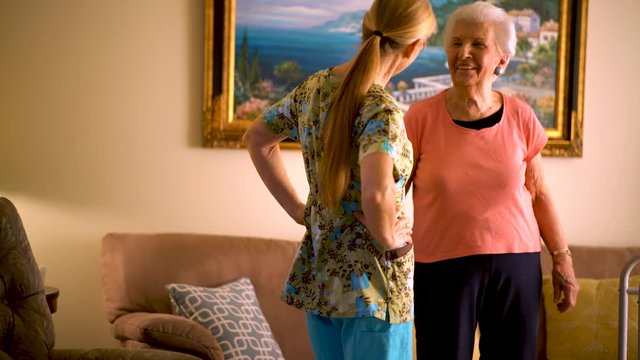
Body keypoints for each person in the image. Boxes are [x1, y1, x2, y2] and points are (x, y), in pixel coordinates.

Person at [243, 1, 436, 358]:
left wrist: (298, 210)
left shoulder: (314, 88)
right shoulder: (382, 109)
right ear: (413, 48)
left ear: (367, 26)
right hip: (375, 288)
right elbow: (376, 193)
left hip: (323, 279)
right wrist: (393, 242)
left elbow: (257, 139)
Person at [403, 2, 580, 359]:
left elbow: (539, 192)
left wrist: (562, 259)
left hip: (516, 265)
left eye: (478, 44)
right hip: (440, 267)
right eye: (456, 43)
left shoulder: (521, 116)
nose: (463, 53)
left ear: (503, 59)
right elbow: (392, 193)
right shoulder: (419, 119)